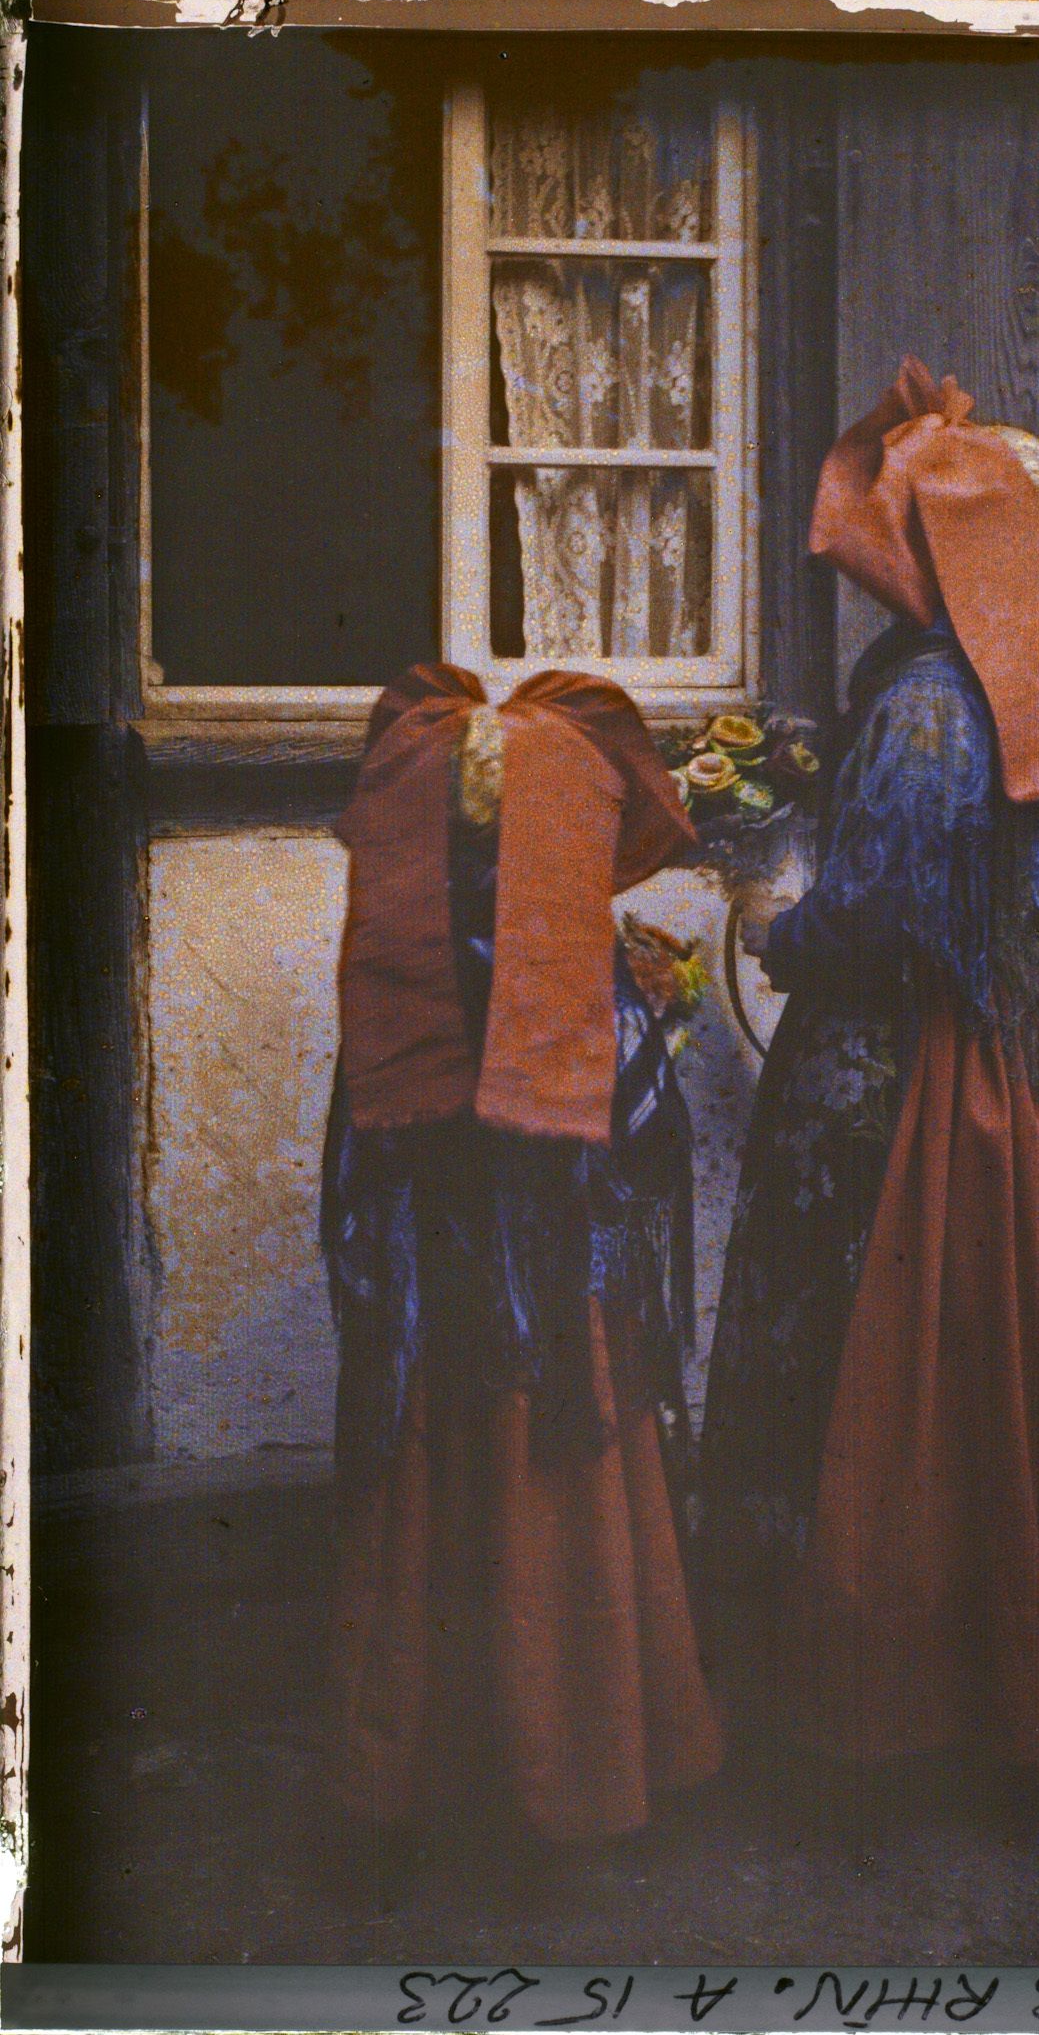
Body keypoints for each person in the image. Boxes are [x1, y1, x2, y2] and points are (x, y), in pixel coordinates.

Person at [697, 358, 1039, 1773]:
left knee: (853, 1377)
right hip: (998, 1079)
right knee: (973, 1389)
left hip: (896, 1085)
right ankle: (984, 1697)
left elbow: (878, 914)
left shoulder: (928, 704)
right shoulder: (1036, 677)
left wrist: (776, 921)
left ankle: (857, 1712)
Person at [320, 662, 723, 1858]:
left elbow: (356, 1148)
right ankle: (579, 1761)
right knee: (565, 1504)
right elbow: (645, 1130)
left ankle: (423, 1769)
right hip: (559, 1320)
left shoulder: (396, 959)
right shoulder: (567, 957)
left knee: (433, 1492)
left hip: (430, 1314)